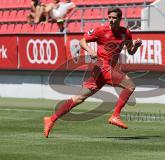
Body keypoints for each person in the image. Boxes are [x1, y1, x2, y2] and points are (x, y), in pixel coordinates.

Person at [43, 7, 142, 138]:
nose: (111, 20)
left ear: (120, 19)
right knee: (130, 86)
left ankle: (51, 119)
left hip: (105, 70)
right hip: (101, 66)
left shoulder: (126, 33)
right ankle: (115, 115)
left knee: (79, 98)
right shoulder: (101, 30)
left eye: (114, 18)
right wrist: (90, 51)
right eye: (110, 18)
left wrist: (136, 45)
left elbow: (130, 51)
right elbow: (82, 41)